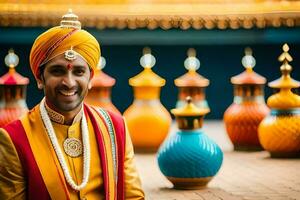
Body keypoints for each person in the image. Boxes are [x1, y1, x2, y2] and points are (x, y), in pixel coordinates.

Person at [0, 10, 145, 200]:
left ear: (91, 78)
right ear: (39, 78)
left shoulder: (115, 128)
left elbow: (133, 197)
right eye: (57, 71)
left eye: (78, 72)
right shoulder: (15, 138)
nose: (69, 82)